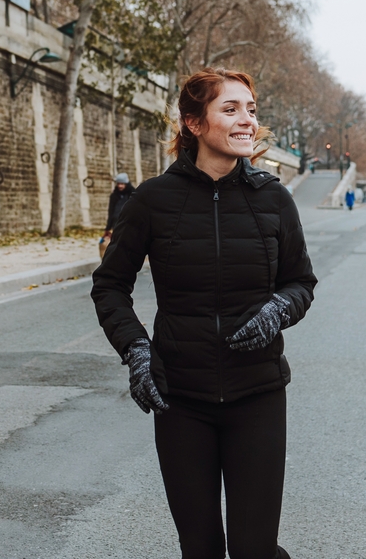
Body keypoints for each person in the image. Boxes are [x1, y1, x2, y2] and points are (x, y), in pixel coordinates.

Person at [91, 67, 317, 559]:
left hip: (257, 394)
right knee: (200, 548)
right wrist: (135, 350)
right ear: (194, 124)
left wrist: (279, 309)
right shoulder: (152, 200)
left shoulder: (274, 199)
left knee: (254, 549)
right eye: (230, 110)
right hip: (180, 398)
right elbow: (110, 285)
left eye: (251, 111)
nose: (247, 122)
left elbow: (301, 282)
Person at [100, 173, 134, 257]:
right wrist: (108, 228)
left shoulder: (133, 194)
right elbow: (111, 212)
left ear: (126, 184)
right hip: (116, 224)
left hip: (129, 224)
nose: (120, 186)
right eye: (118, 184)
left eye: (122, 184)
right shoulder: (114, 195)